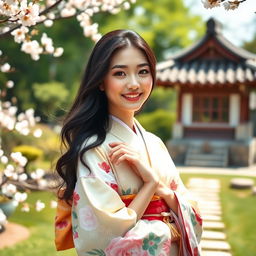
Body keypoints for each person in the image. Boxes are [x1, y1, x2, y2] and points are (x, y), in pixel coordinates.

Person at [55, 29, 203, 256]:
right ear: (101, 81)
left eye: (143, 72)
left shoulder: (155, 143)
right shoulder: (94, 149)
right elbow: (103, 233)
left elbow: (191, 211)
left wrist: (163, 190)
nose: (134, 84)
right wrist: (150, 185)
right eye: (120, 74)